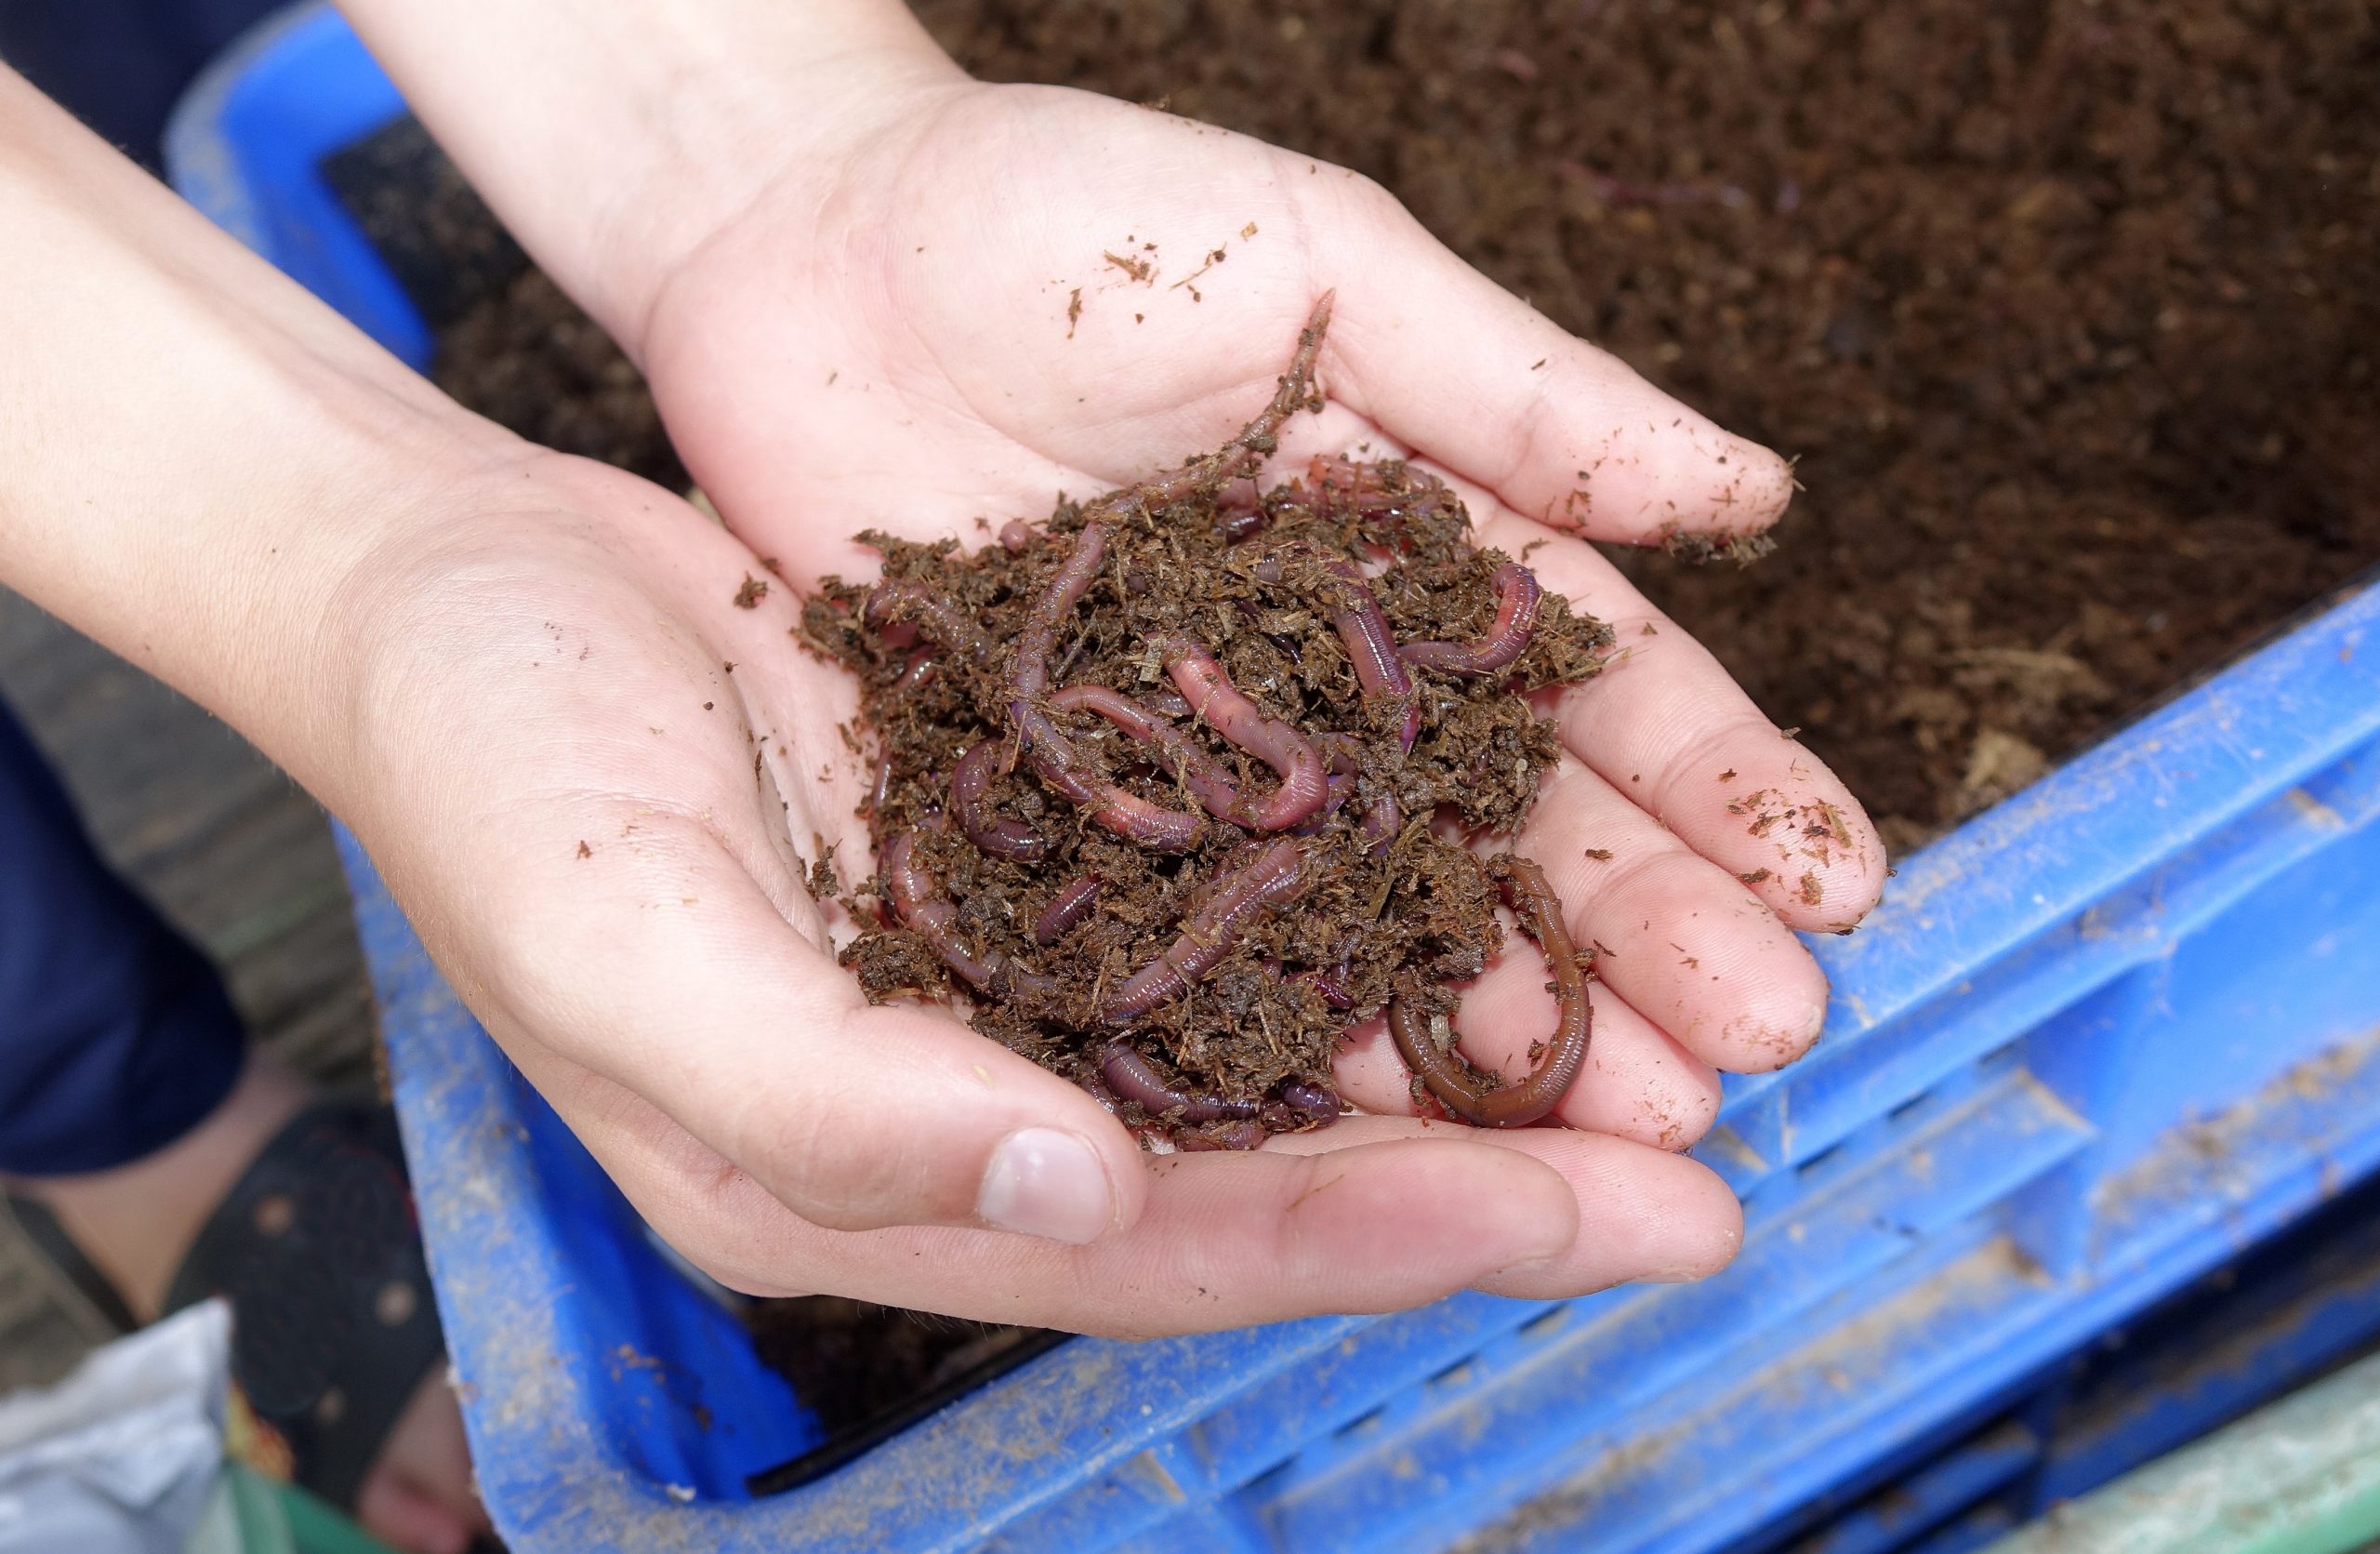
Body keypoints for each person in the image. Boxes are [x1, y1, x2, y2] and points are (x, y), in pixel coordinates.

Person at [0, 2, 1888, 1549]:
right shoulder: (1068, 749)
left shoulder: (1225, 727)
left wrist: (760, 140)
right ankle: (118, 1111)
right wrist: (340, 560)